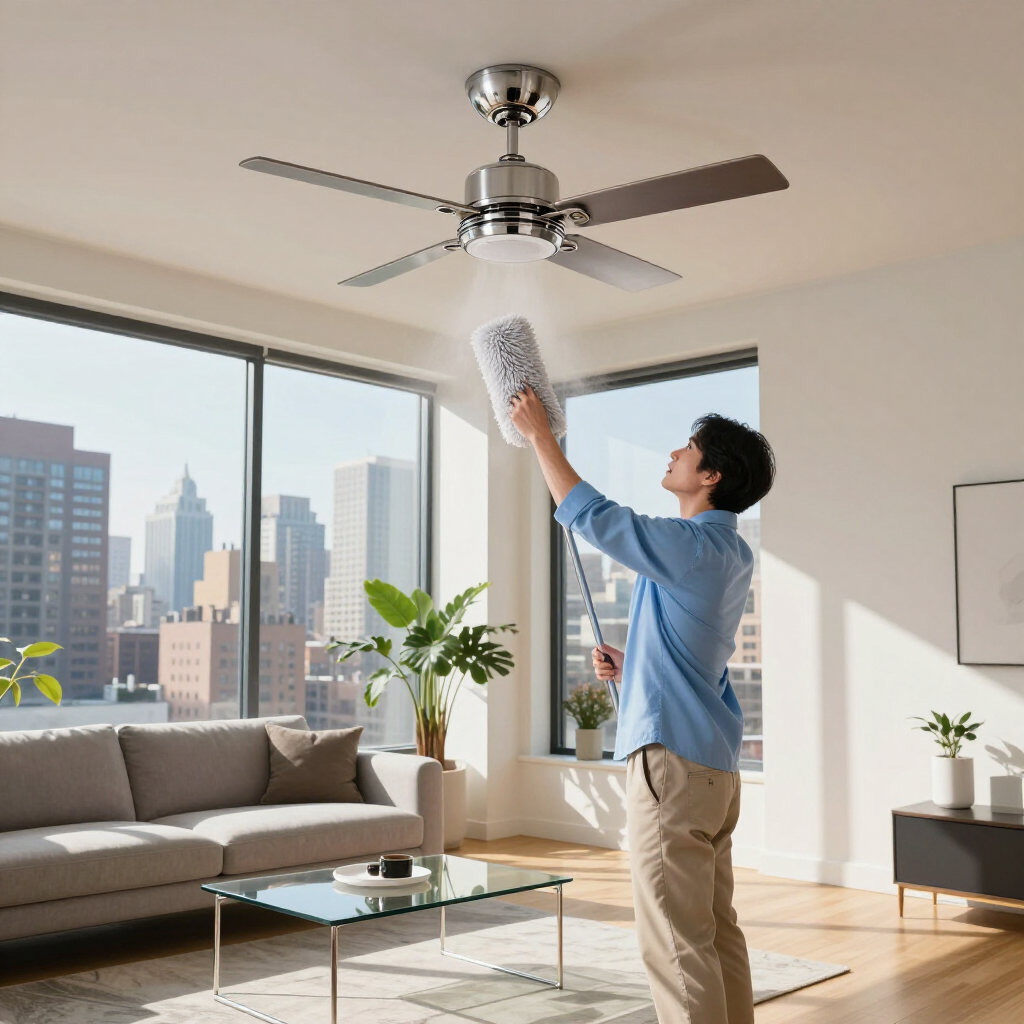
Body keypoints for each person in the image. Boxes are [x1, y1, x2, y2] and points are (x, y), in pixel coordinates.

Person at [509, 386, 776, 1024]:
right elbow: (696, 656)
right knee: (713, 927)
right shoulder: (728, 552)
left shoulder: (692, 548)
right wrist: (636, 670)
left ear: (710, 476)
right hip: (712, 766)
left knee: (675, 943)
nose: (674, 452)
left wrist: (542, 437)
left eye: (688, 449)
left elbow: (593, 514)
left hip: (673, 769)